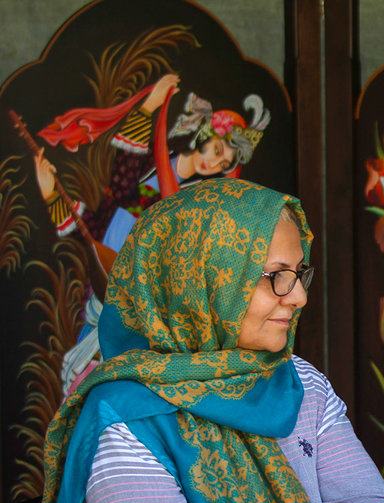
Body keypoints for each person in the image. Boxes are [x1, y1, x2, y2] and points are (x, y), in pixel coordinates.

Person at [18, 179, 384, 503]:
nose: (297, 298)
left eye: (298, 274)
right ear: (201, 280)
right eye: (274, 275)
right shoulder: (122, 413)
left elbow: (364, 499)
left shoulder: (301, 384)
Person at [33, 73, 271, 395]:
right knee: (86, 373)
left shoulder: (198, 201)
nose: (213, 161)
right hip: (106, 278)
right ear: (203, 135)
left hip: (144, 296)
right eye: (216, 148)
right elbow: (98, 219)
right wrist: (50, 194)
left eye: (224, 162)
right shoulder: (154, 160)